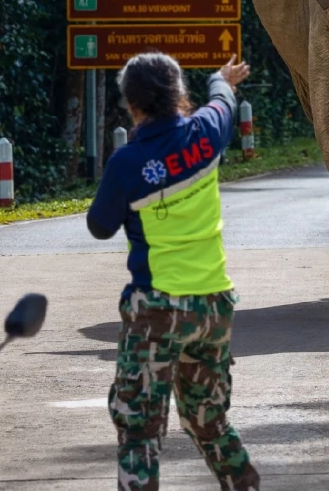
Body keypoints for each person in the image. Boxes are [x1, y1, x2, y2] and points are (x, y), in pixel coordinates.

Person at [88, 53, 258, 491]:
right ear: (178, 94)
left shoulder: (129, 162)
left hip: (157, 310)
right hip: (214, 307)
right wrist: (221, 79)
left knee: (139, 429)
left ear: (131, 105)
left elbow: (100, 225)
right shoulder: (207, 132)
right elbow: (221, 100)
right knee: (209, 421)